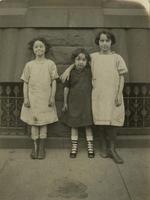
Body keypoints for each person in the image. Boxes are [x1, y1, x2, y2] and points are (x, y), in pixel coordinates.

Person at [60, 31, 128, 164]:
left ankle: (112, 149)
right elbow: (80, 61)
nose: (104, 44)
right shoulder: (93, 57)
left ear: (111, 42)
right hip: (98, 94)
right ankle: (103, 146)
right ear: (98, 42)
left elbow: (121, 76)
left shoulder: (117, 58)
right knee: (100, 121)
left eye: (107, 41)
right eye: (102, 41)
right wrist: (69, 69)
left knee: (113, 121)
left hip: (113, 93)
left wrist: (119, 93)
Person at [20, 37, 59, 159]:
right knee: (34, 123)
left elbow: (54, 82)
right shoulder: (29, 65)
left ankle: (42, 148)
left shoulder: (50, 64)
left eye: (41, 46)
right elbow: (25, 82)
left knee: (43, 122)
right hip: (33, 99)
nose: (39, 49)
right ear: (33, 49)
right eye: (36, 46)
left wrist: (52, 97)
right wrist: (26, 98)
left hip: (45, 98)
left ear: (45, 48)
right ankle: (34, 147)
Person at [61, 48, 94, 158]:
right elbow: (66, 88)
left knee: (88, 125)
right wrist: (65, 103)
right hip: (73, 103)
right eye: (78, 59)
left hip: (87, 103)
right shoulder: (71, 73)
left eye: (84, 60)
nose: (81, 62)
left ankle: (90, 147)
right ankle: (74, 147)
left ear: (87, 61)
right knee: (74, 125)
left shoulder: (89, 71)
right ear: (74, 61)